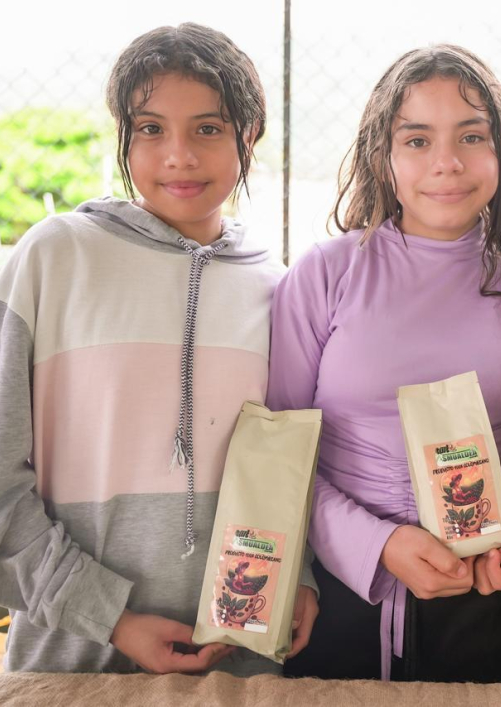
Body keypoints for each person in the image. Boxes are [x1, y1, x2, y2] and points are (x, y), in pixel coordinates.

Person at [0, 23, 317, 675]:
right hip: (72, 659)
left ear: (249, 134)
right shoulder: (54, 257)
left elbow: (289, 469)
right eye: (150, 129)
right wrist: (109, 615)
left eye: (207, 128)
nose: (179, 155)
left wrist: (301, 575)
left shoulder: (279, 288)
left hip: (238, 662)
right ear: (123, 131)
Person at [266, 44, 501, 683]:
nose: (446, 163)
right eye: (417, 140)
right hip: (339, 598)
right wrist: (376, 545)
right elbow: (276, 449)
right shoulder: (326, 275)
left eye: (471, 136)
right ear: (384, 157)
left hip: (490, 598)